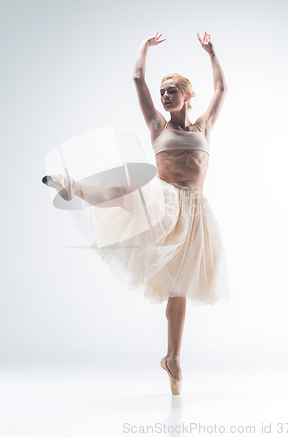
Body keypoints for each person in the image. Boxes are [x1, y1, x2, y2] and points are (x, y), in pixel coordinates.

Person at [42, 31, 230, 395]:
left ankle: (173, 358)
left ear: (187, 97)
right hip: (164, 198)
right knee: (124, 193)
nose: (164, 96)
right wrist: (143, 48)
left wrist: (212, 53)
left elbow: (222, 90)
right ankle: (71, 184)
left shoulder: (204, 126)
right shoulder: (157, 126)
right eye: (162, 92)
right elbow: (137, 80)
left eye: (171, 91)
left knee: (180, 289)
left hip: (194, 213)